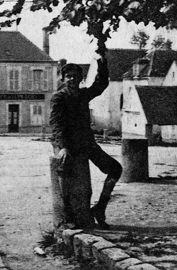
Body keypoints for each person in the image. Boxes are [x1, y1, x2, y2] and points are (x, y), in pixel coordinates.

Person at [50, 52, 122, 229]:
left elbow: (101, 84)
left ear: (81, 79)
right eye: (68, 76)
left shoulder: (83, 95)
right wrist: (63, 147)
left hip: (86, 144)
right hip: (66, 144)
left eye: (76, 76)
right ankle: (68, 215)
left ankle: (100, 207)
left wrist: (102, 64)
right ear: (62, 78)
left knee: (115, 169)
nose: (72, 79)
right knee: (65, 172)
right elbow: (56, 124)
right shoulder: (59, 98)